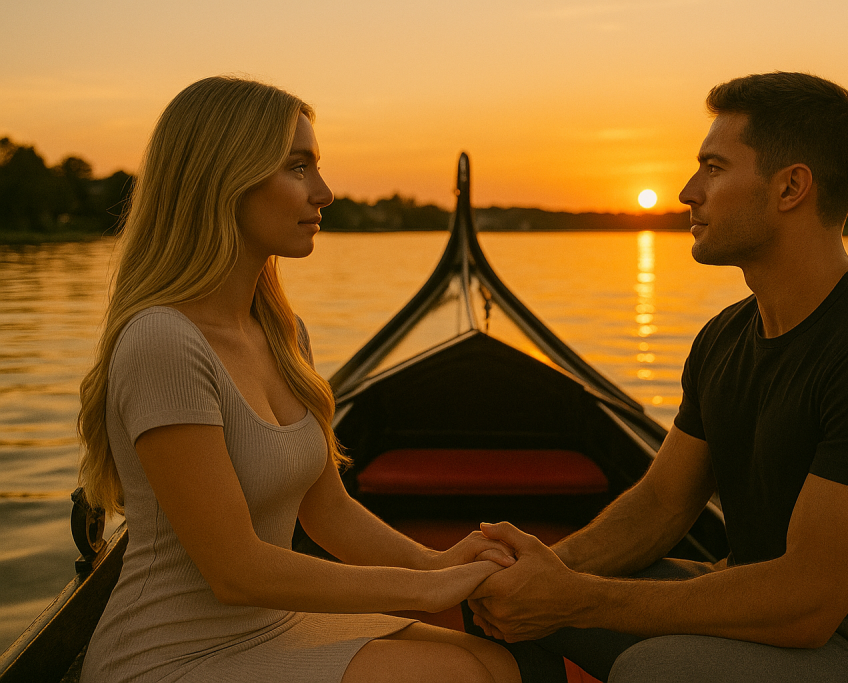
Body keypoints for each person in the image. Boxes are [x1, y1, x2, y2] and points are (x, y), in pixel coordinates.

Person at [466, 72, 848, 682]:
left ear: (791, 187)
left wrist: (581, 597)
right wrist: (544, 570)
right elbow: (661, 503)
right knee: (508, 604)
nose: (687, 191)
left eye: (713, 167)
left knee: (662, 671)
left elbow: (808, 603)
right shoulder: (726, 337)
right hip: (759, 601)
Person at [76, 76, 522, 683]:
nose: (325, 191)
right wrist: (432, 591)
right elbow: (236, 572)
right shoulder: (163, 341)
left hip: (271, 623)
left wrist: (433, 563)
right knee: (461, 676)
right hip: (169, 654)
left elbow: (328, 512)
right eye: (297, 168)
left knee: (494, 662)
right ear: (223, 180)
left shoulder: (284, 333)